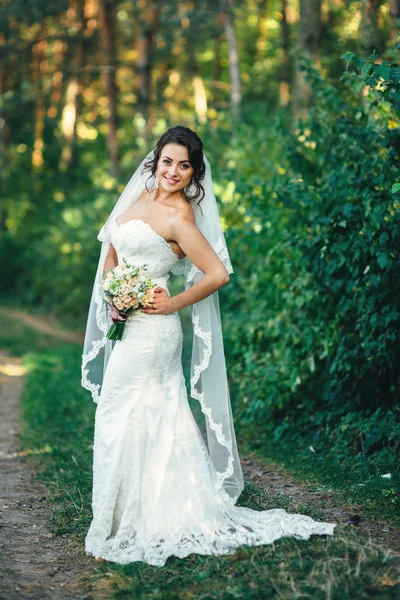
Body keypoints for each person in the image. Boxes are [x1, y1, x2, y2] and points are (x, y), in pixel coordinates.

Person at [81, 125, 336, 567]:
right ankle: (122, 513)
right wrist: (113, 297)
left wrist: (172, 302)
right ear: (155, 161)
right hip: (130, 323)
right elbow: (112, 248)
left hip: (156, 331)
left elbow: (218, 274)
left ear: (194, 172)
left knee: (139, 413)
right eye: (167, 161)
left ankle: (152, 515)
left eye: (184, 165)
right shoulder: (136, 200)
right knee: (122, 412)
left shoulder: (182, 217)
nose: (174, 171)